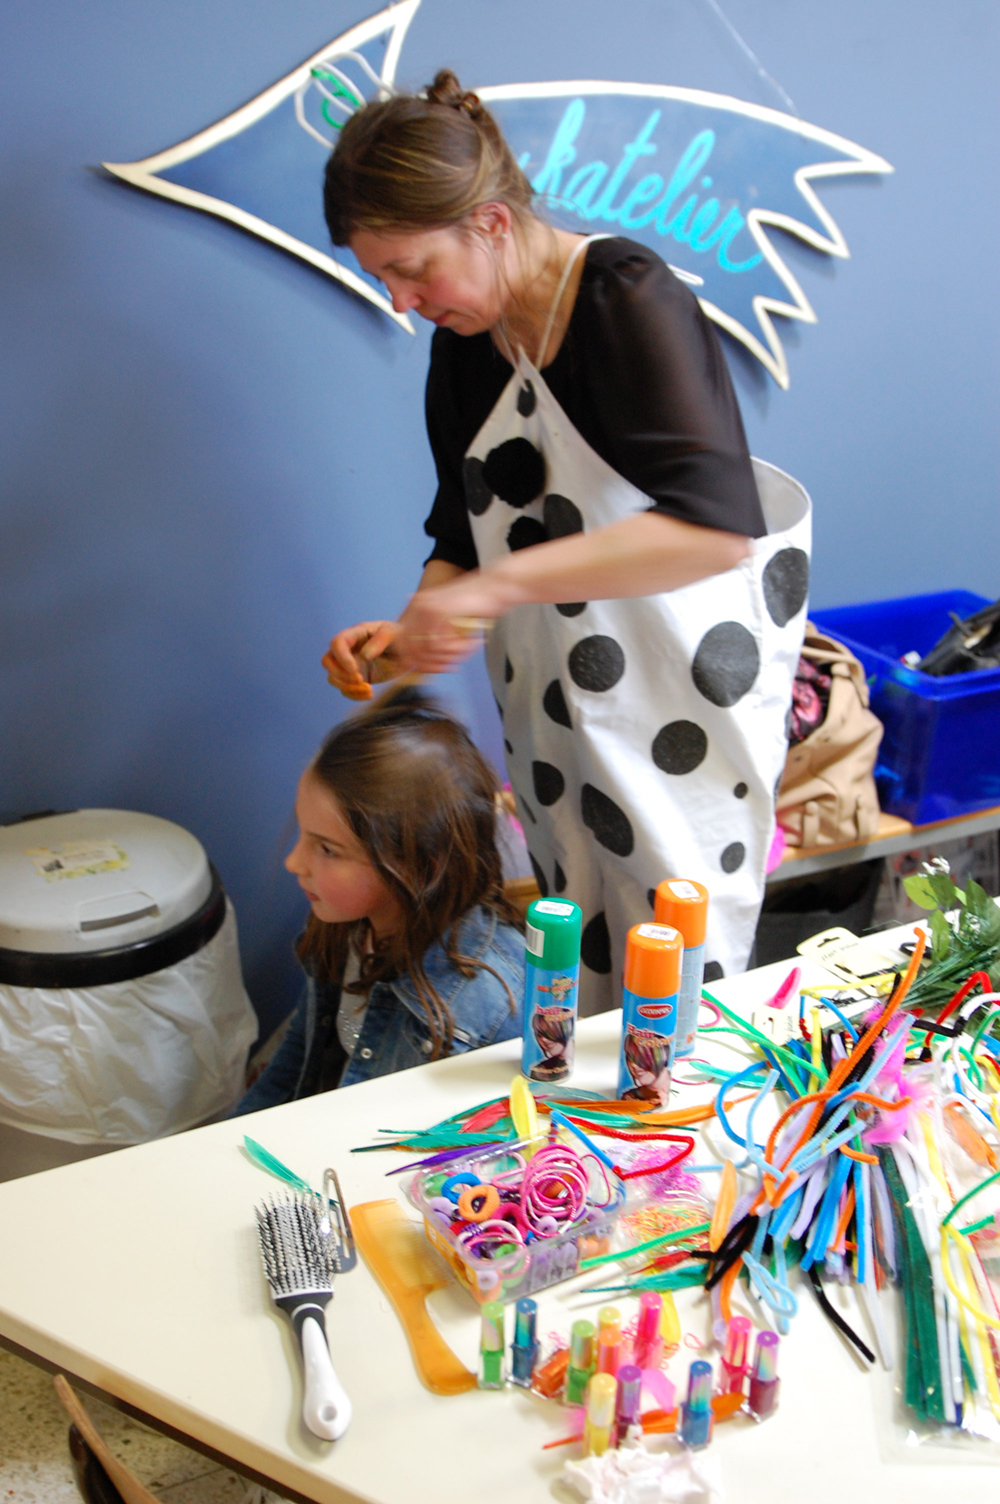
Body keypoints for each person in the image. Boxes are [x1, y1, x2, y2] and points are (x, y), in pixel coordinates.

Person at [321, 70, 811, 1011]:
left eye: (412, 269)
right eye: (381, 276)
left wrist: (491, 591)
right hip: (552, 724)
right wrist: (416, 625)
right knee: (580, 958)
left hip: (675, 719)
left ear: (490, 223)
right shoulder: (466, 346)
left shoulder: (624, 299)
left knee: (677, 978)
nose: (399, 300)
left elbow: (714, 532)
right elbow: (463, 528)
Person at [235, 688, 525, 1113]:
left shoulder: (493, 1009)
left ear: (417, 866)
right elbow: (297, 1061)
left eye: (327, 849)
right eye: (303, 834)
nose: (293, 862)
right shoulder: (343, 926)